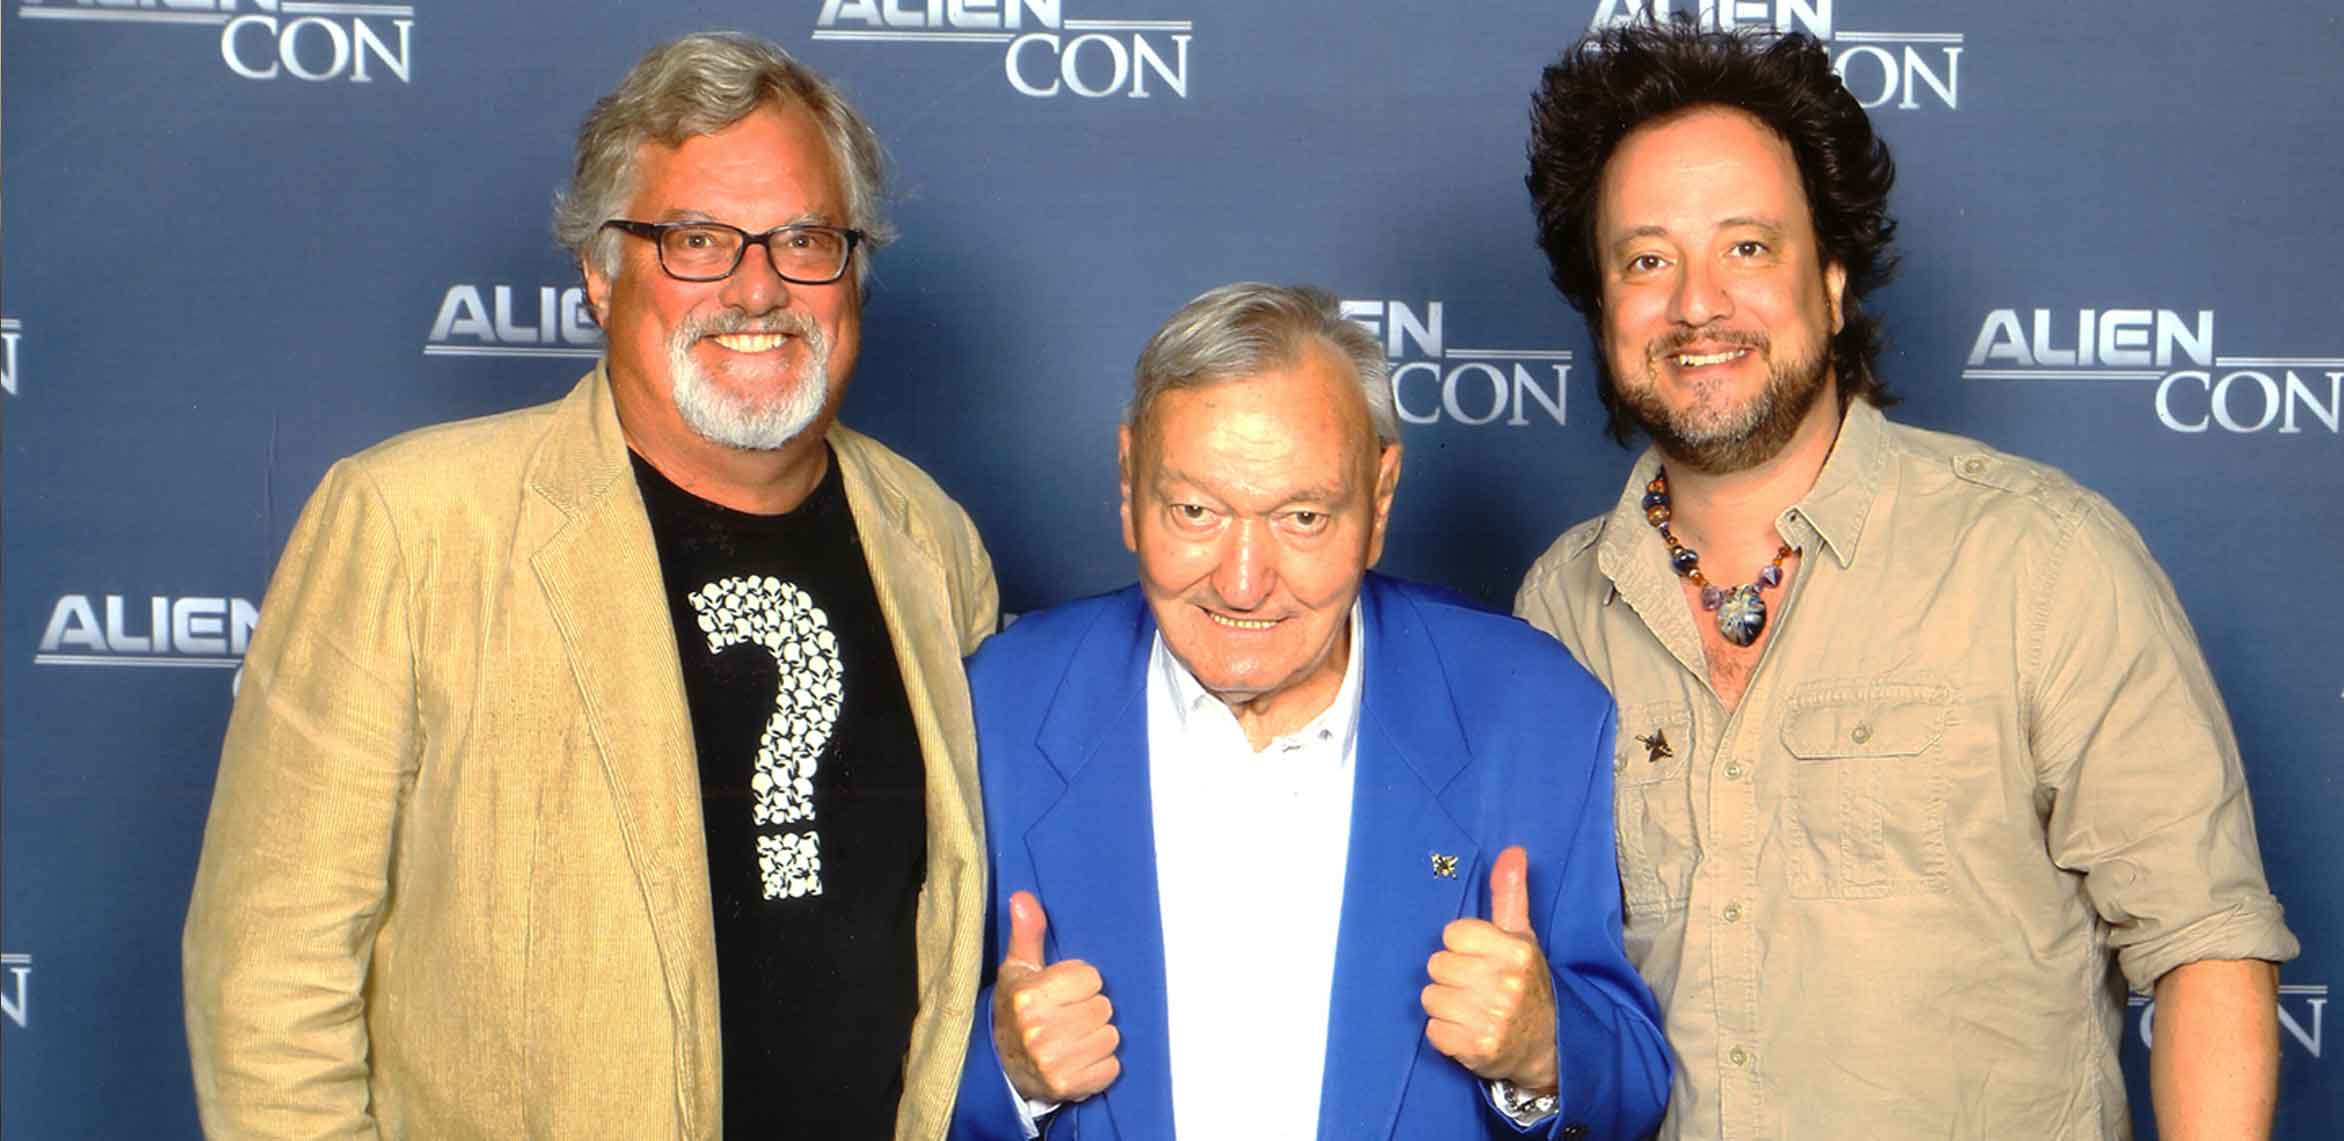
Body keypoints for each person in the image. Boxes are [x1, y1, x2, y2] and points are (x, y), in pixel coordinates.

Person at [182, 33, 998, 1139]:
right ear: (601, 274)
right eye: (698, 239)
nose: (757, 288)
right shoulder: (412, 528)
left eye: (804, 238)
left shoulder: (930, 538)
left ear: (852, 271)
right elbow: (269, 980)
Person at [1513, 20, 2297, 1140]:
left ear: (1831, 282)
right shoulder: (1557, 608)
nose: (1695, 304)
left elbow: (2205, 941)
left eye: (1747, 247)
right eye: (1646, 259)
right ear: (1602, 308)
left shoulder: (2040, 558)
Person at [948, 283, 1669, 1140]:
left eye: (1301, 516)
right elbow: (863, 1067)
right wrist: (1004, 1072)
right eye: (1195, 510)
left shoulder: (1532, 710)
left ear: (1381, 499)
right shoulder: (995, 705)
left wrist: (1545, 1053)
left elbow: (1630, 1082)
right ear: (1127, 481)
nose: (1244, 580)